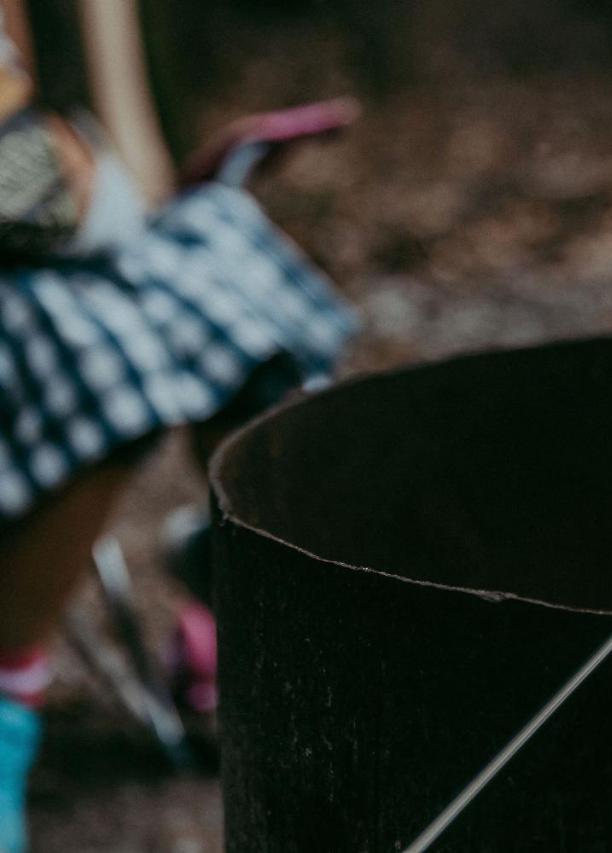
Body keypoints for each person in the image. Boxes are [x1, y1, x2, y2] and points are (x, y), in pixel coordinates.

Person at [0, 1, 354, 848]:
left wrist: (157, 182)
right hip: (36, 252)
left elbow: (57, 171)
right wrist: (76, 184)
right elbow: (42, 187)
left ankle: (239, 583)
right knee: (96, 353)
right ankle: (9, 697)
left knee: (231, 263)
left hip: (44, 226)